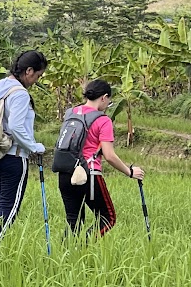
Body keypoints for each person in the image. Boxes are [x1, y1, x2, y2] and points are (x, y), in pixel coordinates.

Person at [57, 79, 145, 237]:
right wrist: (130, 172)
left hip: (65, 172)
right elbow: (109, 155)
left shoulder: (71, 113)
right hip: (89, 174)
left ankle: (68, 251)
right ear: (104, 97)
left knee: (73, 221)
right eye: (109, 100)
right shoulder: (103, 120)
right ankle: (84, 246)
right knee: (108, 218)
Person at [0, 49, 48, 236]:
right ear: (29, 71)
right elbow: (17, 127)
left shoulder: (0, 86)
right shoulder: (20, 93)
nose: (37, 80)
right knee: (9, 207)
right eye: (38, 76)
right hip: (14, 156)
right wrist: (34, 147)